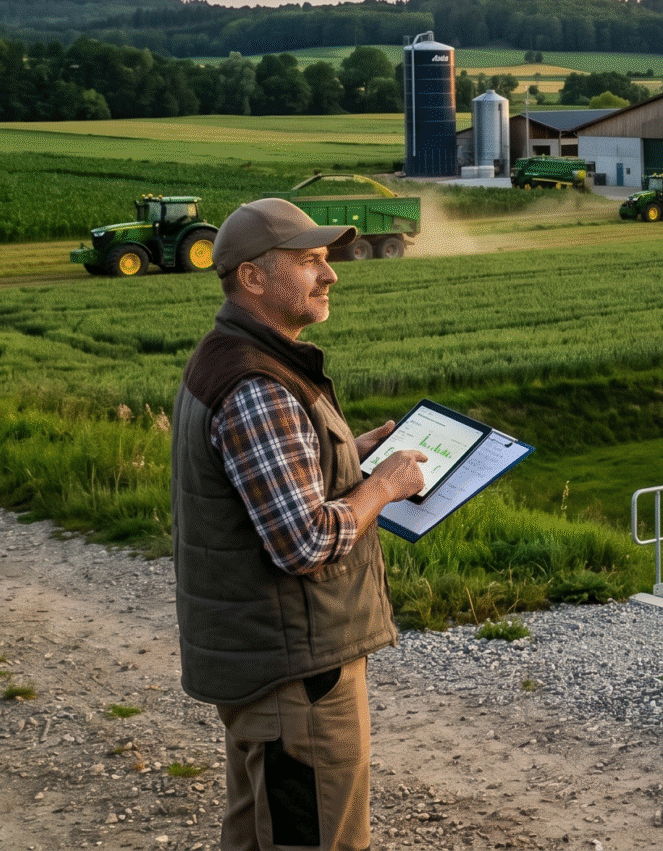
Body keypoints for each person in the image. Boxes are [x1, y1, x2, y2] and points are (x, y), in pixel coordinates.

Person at [170, 197, 428, 851]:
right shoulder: (259, 384)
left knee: (258, 835)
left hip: (266, 666)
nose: (331, 273)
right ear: (253, 277)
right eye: (309, 260)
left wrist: (348, 457)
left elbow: (266, 482)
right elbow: (306, 541)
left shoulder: (229, 355)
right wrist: (383, 486)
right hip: (297, 679)